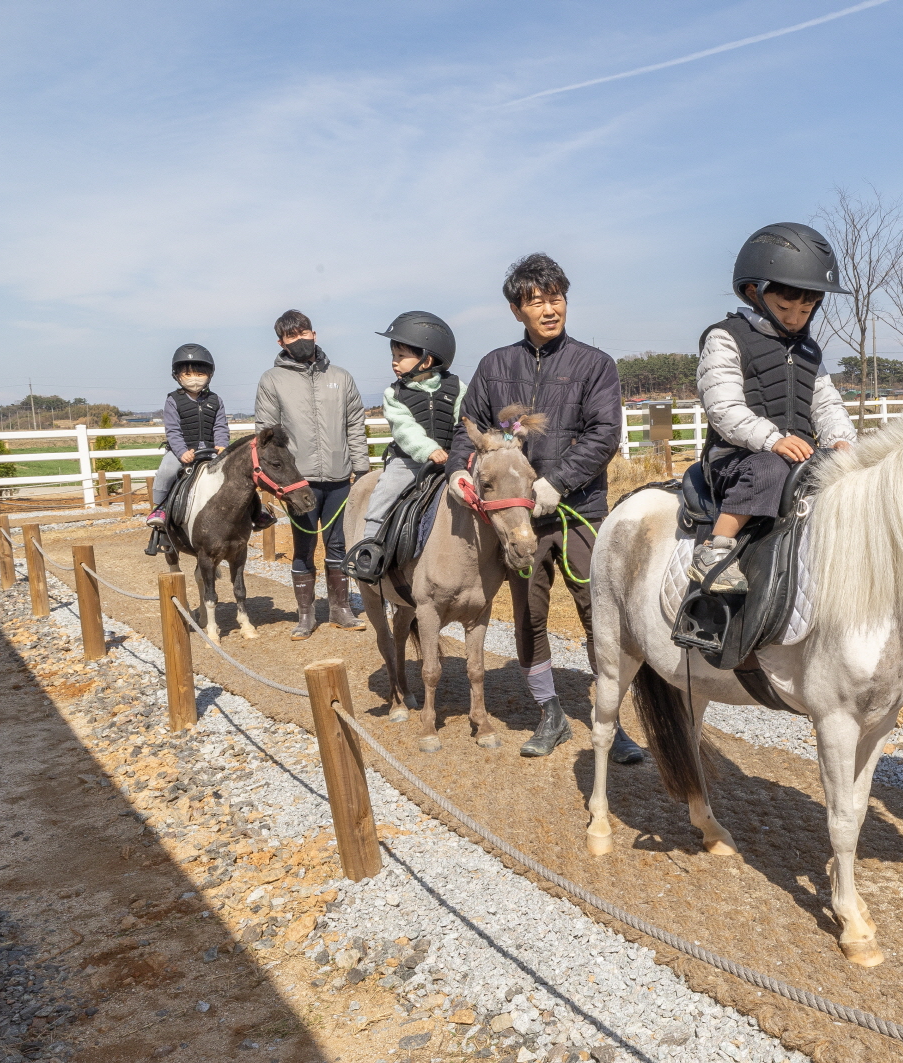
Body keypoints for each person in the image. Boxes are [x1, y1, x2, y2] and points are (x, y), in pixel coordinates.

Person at [446, 253, 642, 763]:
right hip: (516, 520)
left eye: (556, 298)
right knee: (529, 614)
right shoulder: (494, 366)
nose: (549, 309)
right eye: (535, 302)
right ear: (517, 310)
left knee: (598, 614)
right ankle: (549, 713)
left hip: (580, 509)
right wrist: (459, 471)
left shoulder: (594, 365)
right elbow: (467, 429)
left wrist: (558, 481)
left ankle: (611, 718)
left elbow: (604, 434)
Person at [691, 222, 857, 593]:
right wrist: (772, 440)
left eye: (807, 308)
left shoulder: (808, 350)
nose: (796, 318)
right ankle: (714, 549)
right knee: (770, 468)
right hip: (738, 458)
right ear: (755, 292)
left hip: (796, 457)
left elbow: (826, 403)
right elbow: (723, 408)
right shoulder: (726, 337)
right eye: (784, 307)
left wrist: (841, 440)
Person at [255, 309, 371, 640]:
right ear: (281, 342)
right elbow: (267, 435)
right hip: (298, 482)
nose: (299, 339)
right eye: (291, 335)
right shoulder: (272, 380)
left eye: (303, 332)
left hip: (338, 477)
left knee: (338, 545)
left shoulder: (341, 377)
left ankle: (340, 609)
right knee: (303, 546)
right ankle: (305, 615)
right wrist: (280, 481)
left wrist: (361, 469)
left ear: (314, 334)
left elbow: (355, 425)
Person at [343, 312, 464, 580]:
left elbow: (463, 421)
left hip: (450, 459)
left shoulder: (457, 387)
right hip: (408, 462)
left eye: (400, 356)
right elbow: (404, 428)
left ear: (427, 360)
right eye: (393, 356)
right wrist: (428, 450)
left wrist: (461, 452)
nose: (394, 362)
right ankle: (369, 549)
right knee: (384, 493)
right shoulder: (394, 394)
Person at [146, 343, 230, 527]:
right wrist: (181, 451)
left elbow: (220, 426)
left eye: (200, 374)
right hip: (183, 451)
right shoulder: (173, 400)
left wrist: (222, 445)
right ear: (177, 376)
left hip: (211, 450)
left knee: (237, 469)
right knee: (167, 470)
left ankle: (254, 510)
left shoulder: (216, 400)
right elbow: (173, 430)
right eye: (188, 374)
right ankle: (160, 506)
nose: (194, 379)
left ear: (209, 375)